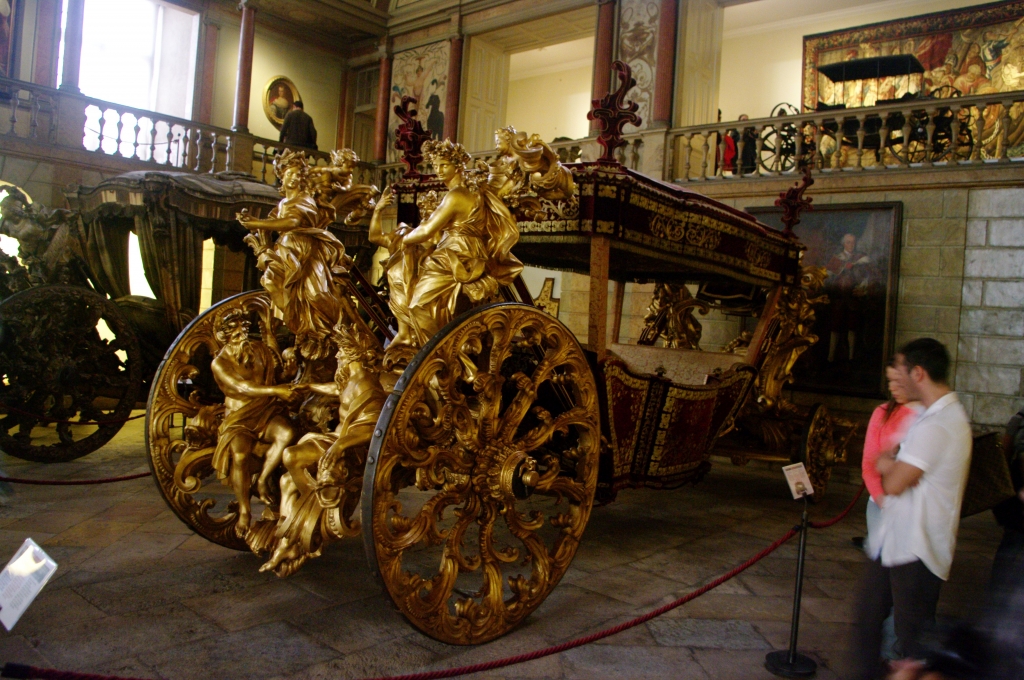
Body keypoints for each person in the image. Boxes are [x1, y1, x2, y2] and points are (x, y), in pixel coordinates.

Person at [852, 338, 972, 680]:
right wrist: (893, 466)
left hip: (917, 547)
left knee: (911, 641)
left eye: (902, 371)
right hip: (895, 538)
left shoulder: (940, 423)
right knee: (868, 621)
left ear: (918, 373)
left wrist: (888, 464)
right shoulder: (926, 416)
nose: (896, 379)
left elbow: (893, 482)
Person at [210, 309, 301, 537]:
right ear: (223, 334)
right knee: (240, 456)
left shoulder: (259, 349)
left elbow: (274, 378)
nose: (241, 332)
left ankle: (262, 480)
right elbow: (243, 388)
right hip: (239, 417)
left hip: (265, 411)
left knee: (287, 433)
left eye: (243, 327)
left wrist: (288, 376)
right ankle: (244, 511)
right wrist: (276, 391)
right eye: (234, 329)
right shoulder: (219, 363)